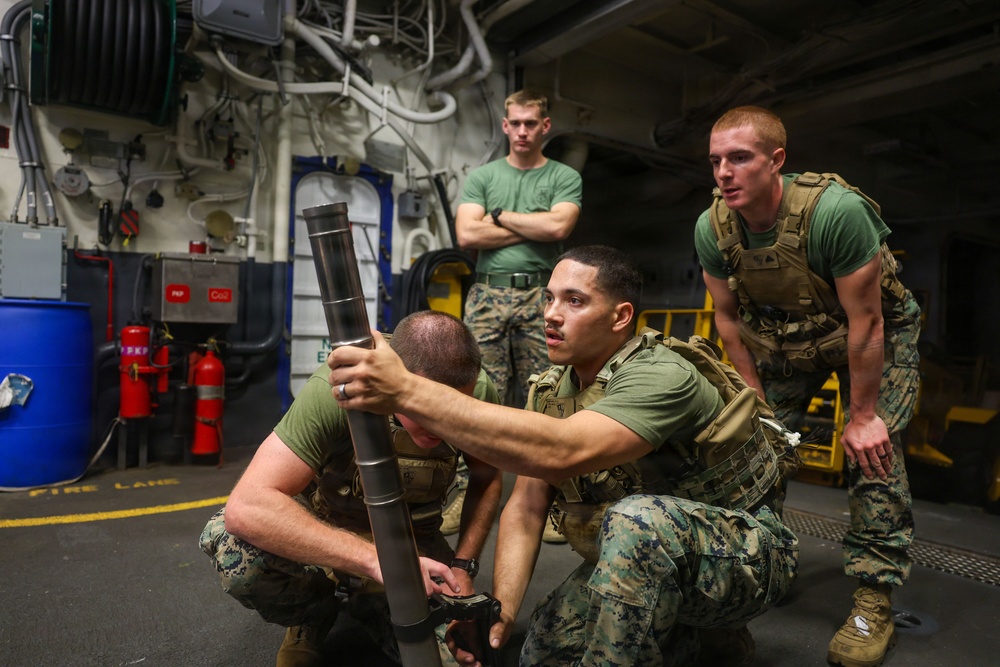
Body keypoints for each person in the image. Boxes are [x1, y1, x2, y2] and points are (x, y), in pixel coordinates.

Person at [328, 245, 799, 666]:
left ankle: (712, 624)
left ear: (620, 316)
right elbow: (527, 507)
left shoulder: (662, 375)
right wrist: (501, 613)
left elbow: (561, 450)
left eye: (574, 301)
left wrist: (406, 389)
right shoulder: (555, 390)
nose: (551, 314)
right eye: (549, 298)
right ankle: (699, 638)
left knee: (637, 521)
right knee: (543, 653)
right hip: (646, 556)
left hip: (742, 557)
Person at [693, 106, 921, 667]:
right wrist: (754, 399)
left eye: (739, 158)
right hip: (788, 341)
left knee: (874, 455)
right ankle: (760, 565)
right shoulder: (713, 227)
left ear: (777, 161)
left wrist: (862, 417)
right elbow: (727, 319)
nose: (724, 172)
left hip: (871, 334)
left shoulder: (836, 214)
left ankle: (873, 601)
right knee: (753, 448)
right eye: (716, 161)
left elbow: (867, 321)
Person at [200, 311, 503, 667]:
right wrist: (374, 561)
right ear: (395, 378)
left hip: (413, 543)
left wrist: (463, 567)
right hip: (327, 531)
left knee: (459, 657)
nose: (441, 423)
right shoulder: (339, 387)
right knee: (237, 551)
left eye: (452, 410)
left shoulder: (476, 388)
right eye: (426, 407)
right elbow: (247, 506)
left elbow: (486, 477)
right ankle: (312, 614)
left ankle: (371, 602)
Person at [447, 88, 582, 542]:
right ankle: (465, 494)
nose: (522, 131)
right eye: (515, 123)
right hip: (487, 294)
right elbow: (467, 235)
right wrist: (532, 224)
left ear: (545, 126)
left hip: (542, 297)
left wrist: (499, 217)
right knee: (476, 392)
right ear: (505, 126)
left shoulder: (563, 176)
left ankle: (551, 504)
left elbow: (560, 226)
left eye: (531, 123)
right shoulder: (483, 176)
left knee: (547, 394)